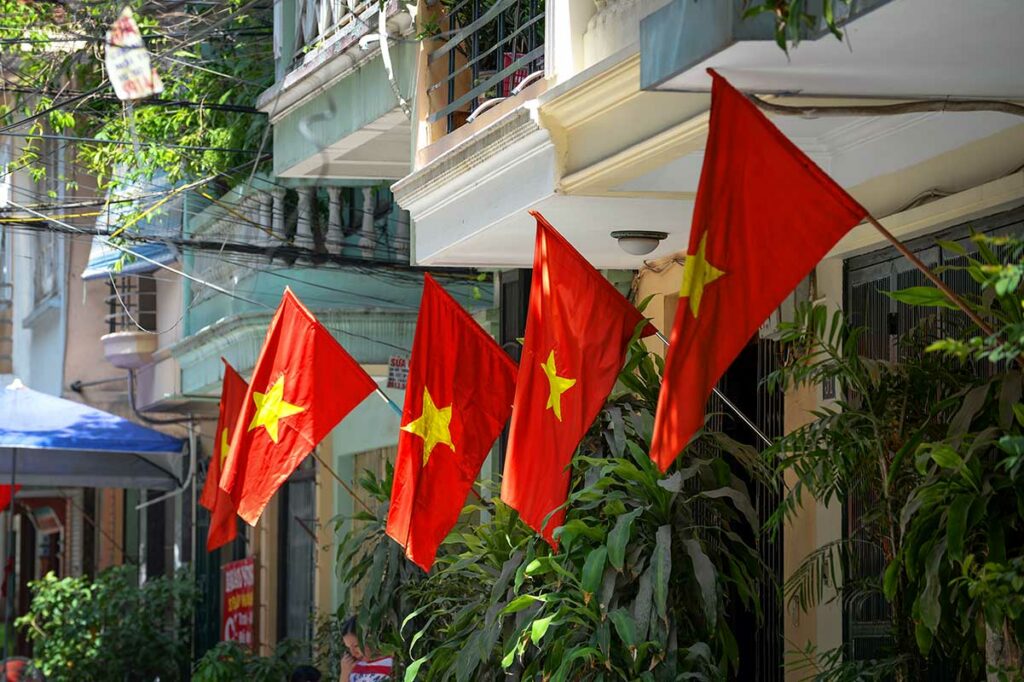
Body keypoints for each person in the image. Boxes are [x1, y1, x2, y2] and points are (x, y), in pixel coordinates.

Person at [339, 616, 393, 681]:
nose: (353, 653)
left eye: (356, 646)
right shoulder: (351, 666)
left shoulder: (392, 663)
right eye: (348, 647)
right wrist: (344, 674)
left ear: (370, 638)